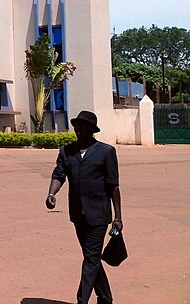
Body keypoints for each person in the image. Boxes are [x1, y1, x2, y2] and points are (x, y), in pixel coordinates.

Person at [46, 110, 123, 304]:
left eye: (82, 126)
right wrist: (51, 193)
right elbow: (58, 175)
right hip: (78, 215)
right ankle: (105, 298)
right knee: (92, 256)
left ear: (92, 130)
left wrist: (118, 217)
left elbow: (113, 186)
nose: (78, 129)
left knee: (90, 257)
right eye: (76, 126)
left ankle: (82, 300)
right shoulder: (66, 151)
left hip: (99, 214)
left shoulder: (106, 152)